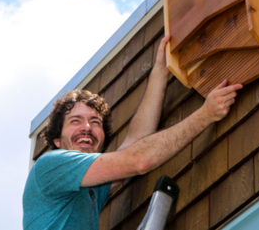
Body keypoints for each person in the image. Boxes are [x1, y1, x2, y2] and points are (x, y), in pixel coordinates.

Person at [23, 35, 242, 230]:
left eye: (95, 122)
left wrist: (160, 72)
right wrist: (205, 115)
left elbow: (136, 141)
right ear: (57, 141)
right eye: (75, 121)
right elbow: (138, 160)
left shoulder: (89, 189)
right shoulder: (51, 166)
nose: (87, 127)